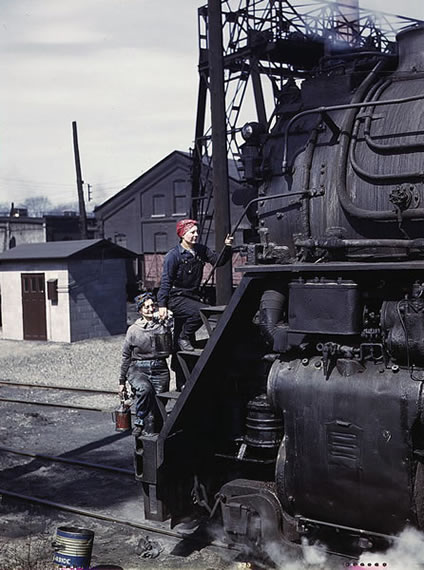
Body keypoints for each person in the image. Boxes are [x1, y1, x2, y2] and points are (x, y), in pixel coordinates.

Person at [158, 219, 233, 352]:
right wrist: (162, 305)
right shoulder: (173, 256)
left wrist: (227, 247)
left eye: (197, 232)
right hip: (176, 298)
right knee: (202, 311)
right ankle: (183, 337)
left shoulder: (200, 250)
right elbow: (166, 281)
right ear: (182, 234)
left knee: (184, 334)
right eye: (192, 232)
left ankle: (181, 355)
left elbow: (218, 261)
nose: (196, 235)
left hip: (191, 296)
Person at [118, 292, 173, 437]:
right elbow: (125, 356)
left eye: (152, 306)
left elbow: (168, 347)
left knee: (159, 403)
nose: (150, 309)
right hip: (138, 368)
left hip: (159, 368)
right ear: (140, 310)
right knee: (145, 390)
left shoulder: (160, 325)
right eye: (146, 307)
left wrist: (168, 324)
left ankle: (157, 433)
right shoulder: (133, 330)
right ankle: (140, 420)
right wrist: (122, 381)